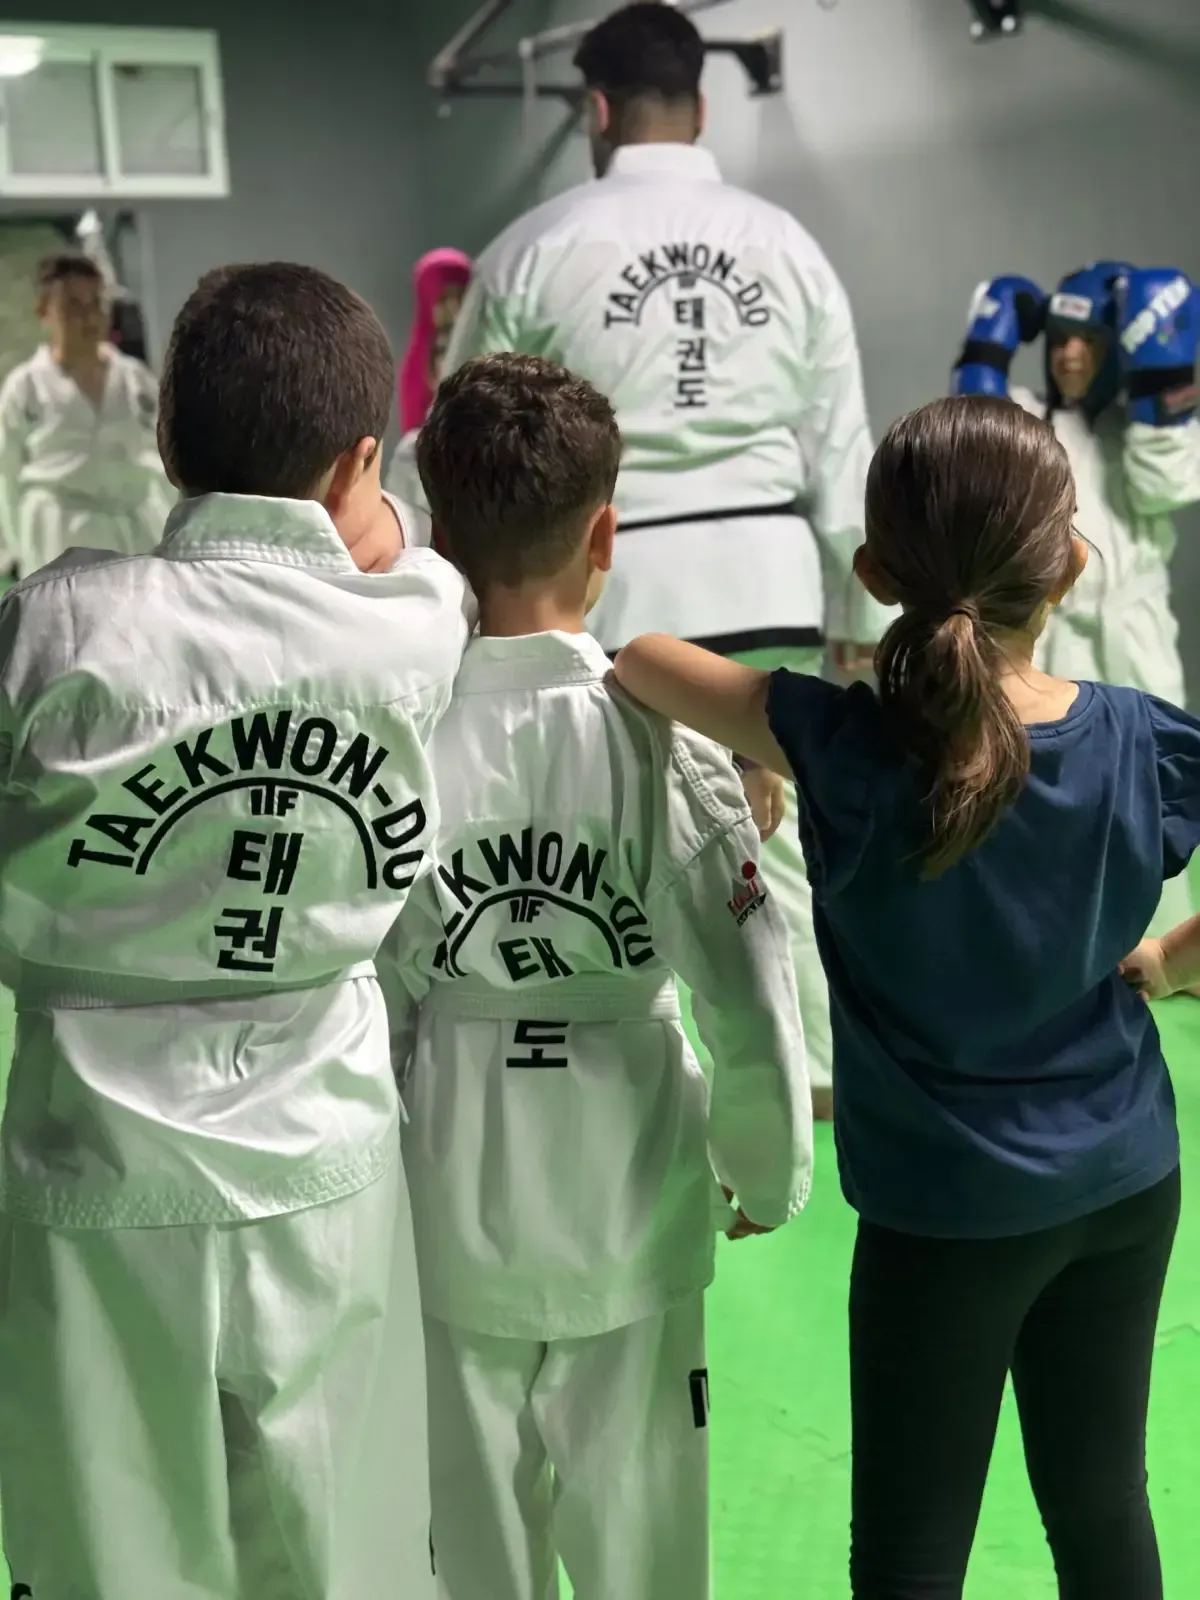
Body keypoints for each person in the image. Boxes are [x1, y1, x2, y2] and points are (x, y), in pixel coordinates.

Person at [612, 395, 1199, 1598]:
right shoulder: (1142, 741)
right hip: (1124, 1182)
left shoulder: (837, 742)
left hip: (942, 1220)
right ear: (1071, 565)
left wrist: (754, 755)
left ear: (875, 575)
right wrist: (1171, 960)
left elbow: (641, 659)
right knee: (1104, 1507)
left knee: (910, 1551)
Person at [0, 261, 473, 1599]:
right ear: (361, 464)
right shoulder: (409, 629)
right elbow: (419, 561)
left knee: (107, 1557)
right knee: (339, 1551)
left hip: (89, 1151)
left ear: (164, 438)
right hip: (321, 1146)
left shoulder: (53, 626)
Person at [382, 352, 812, 1600]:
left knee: (472, 1553)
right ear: (605, 534)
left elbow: (376, 990)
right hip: (632, 1199)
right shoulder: (663, 744)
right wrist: (767, 1168)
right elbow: (747, 989)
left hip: (450, 1191)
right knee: (648, 1552)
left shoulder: (404, 735)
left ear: (441, 537)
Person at [441, 1, 893, 1118]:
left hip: (615, 580)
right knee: (776, 843)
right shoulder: (788, 246)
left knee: (621, 837)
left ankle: (635, 1085)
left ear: (596, 109)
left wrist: (457, 601)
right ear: (701, 105)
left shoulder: (534, 247)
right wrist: (864, 620)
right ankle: (815, 1078)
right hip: (771, 574)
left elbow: (471, 440)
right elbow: (841, 446)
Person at [952, 261, 1200, 933]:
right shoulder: (1024, 415)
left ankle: (1167, 951)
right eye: (1059, 337)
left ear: (1119, 348)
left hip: (1132, 637)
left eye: (1087, 341)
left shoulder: (1146, 433)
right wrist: (985, 354)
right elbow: (973, 460)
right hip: (1043, 631)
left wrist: (1163, 380)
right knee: (1038, 794)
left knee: (1152, 795)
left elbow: (1165, 485)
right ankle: (1045, 947)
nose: (1068, 354)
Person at [0, 252, 175, 578]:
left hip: (135, 530)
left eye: (97, 303)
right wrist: (17, 549)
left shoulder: (136, 381)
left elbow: (165, 460)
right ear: (43, 311)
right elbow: (6, 475)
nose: (90, 316)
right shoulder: (26, 388)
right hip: (59, 534)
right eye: (74, 306)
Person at [385, 247, 473, 511]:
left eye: (460, 297)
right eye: (444, 299)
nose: (453, 309)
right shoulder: (423, 355)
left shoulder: (478, 342)